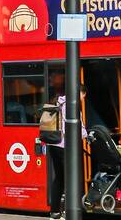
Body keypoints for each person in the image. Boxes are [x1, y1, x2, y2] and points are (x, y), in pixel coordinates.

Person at [47, 84, 88, 219]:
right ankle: (67, 210)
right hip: (63, 146)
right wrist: (88, 136)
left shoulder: (59, 102)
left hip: (53, 144)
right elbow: (79, 128)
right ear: (80, 93)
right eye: (83, 95)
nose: (83, 99)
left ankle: (54, 210)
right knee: (70, 178)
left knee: (59, 177)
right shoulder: (72, 107)